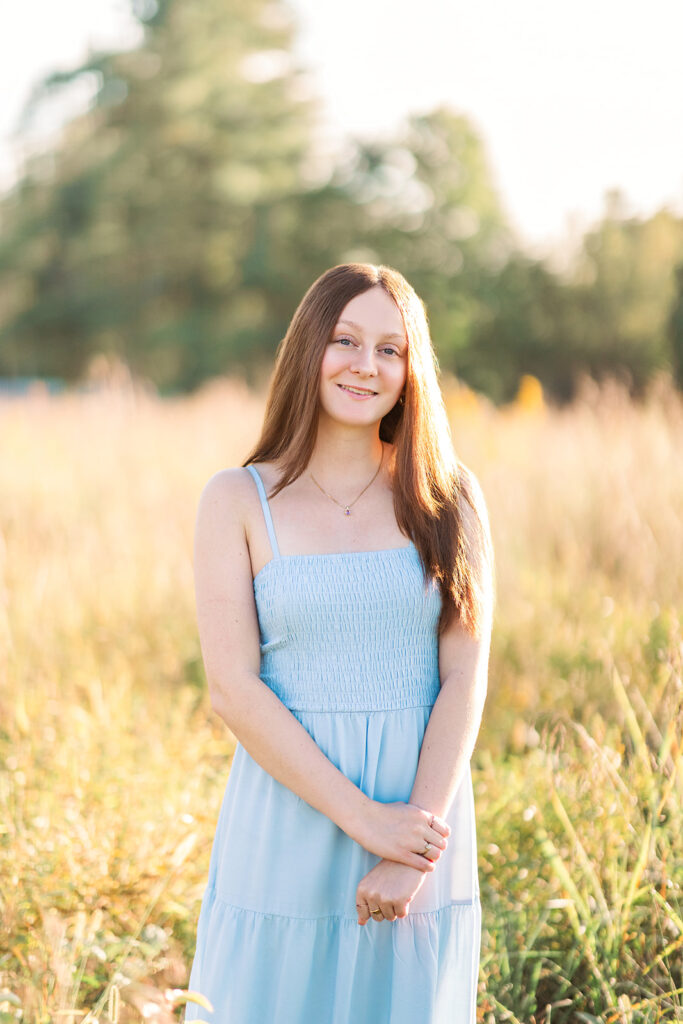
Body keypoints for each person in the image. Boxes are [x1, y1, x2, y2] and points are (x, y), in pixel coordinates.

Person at [185, 262, 495, 1023]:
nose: (365, 364)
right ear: (307, 349)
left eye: (390, 349)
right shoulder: (237, 498)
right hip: (289, 813)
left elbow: (465, 675)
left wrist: (407, 845)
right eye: (345, 339)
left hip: (421, 818)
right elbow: (232, 687)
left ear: (410, 369)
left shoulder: (448, 497)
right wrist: (365, 821)